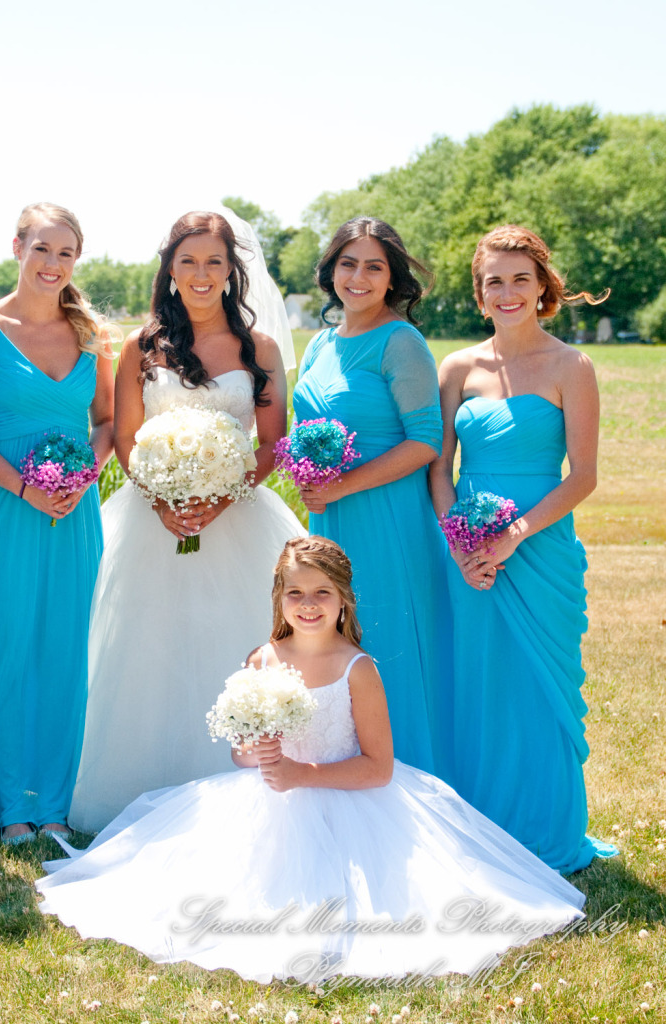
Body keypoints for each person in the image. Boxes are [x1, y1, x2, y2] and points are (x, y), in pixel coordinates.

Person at [36, 537, 586, 983]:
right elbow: (241, 752)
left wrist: (302, 774)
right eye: (295, 592)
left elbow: (379, 768)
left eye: (323, 592)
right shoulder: (262, 659)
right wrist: (258, 753)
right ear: (278, 598)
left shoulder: (357, 670)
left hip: (354, 800)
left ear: (344, 599)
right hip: (268, 800)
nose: (308, 604)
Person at [67, 210, 305, 834]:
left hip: (240, 518)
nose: (202, 274)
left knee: (235, 640)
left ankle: (243, 786)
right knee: (148, 647)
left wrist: (221, 497)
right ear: (170, 269)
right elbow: (126, 437)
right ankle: (139, 785)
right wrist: (162, 499)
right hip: (152, 520)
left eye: (214, 262)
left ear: (231, 271)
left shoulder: (260, 349)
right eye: (189, 261)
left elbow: (273, 443)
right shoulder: (141, 346)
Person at [429, 224, 617, 873]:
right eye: (494, 282)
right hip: (468, 555)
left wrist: (514, 535)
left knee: (540, 685)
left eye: (519, 279)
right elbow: (439, 469)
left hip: (540, 550)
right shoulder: (457, 368)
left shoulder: (572, 366)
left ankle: (549, 830)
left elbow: (583, 476)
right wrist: (461, 544)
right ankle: (484, 825)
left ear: (542, 288)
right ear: (479, 294)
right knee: (479, 683)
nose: (506, 292)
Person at [0, 202, 116, 844]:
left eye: (65, 252)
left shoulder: (91, 334)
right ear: (17, 247)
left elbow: (107, 422)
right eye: (42, 248)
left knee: (65, 648)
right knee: (4, 646)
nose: (53, 263)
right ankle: (6, 800)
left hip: (73, 513)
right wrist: (25, 487)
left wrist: (83, 476)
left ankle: (54, 800)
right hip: (5, 508)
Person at [292, 217, 449, 774]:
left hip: (387, 519)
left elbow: (426, 440)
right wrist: (308, 477)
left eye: (374, 267)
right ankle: (344, 781)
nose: (358, 277)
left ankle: (404, 781)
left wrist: (342, 485)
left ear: (392, 278)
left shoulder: (401, 342)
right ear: (331, 271)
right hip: (330, 521)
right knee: (335, 650)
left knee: (384, 646)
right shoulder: (319, 343)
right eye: (348, 264)